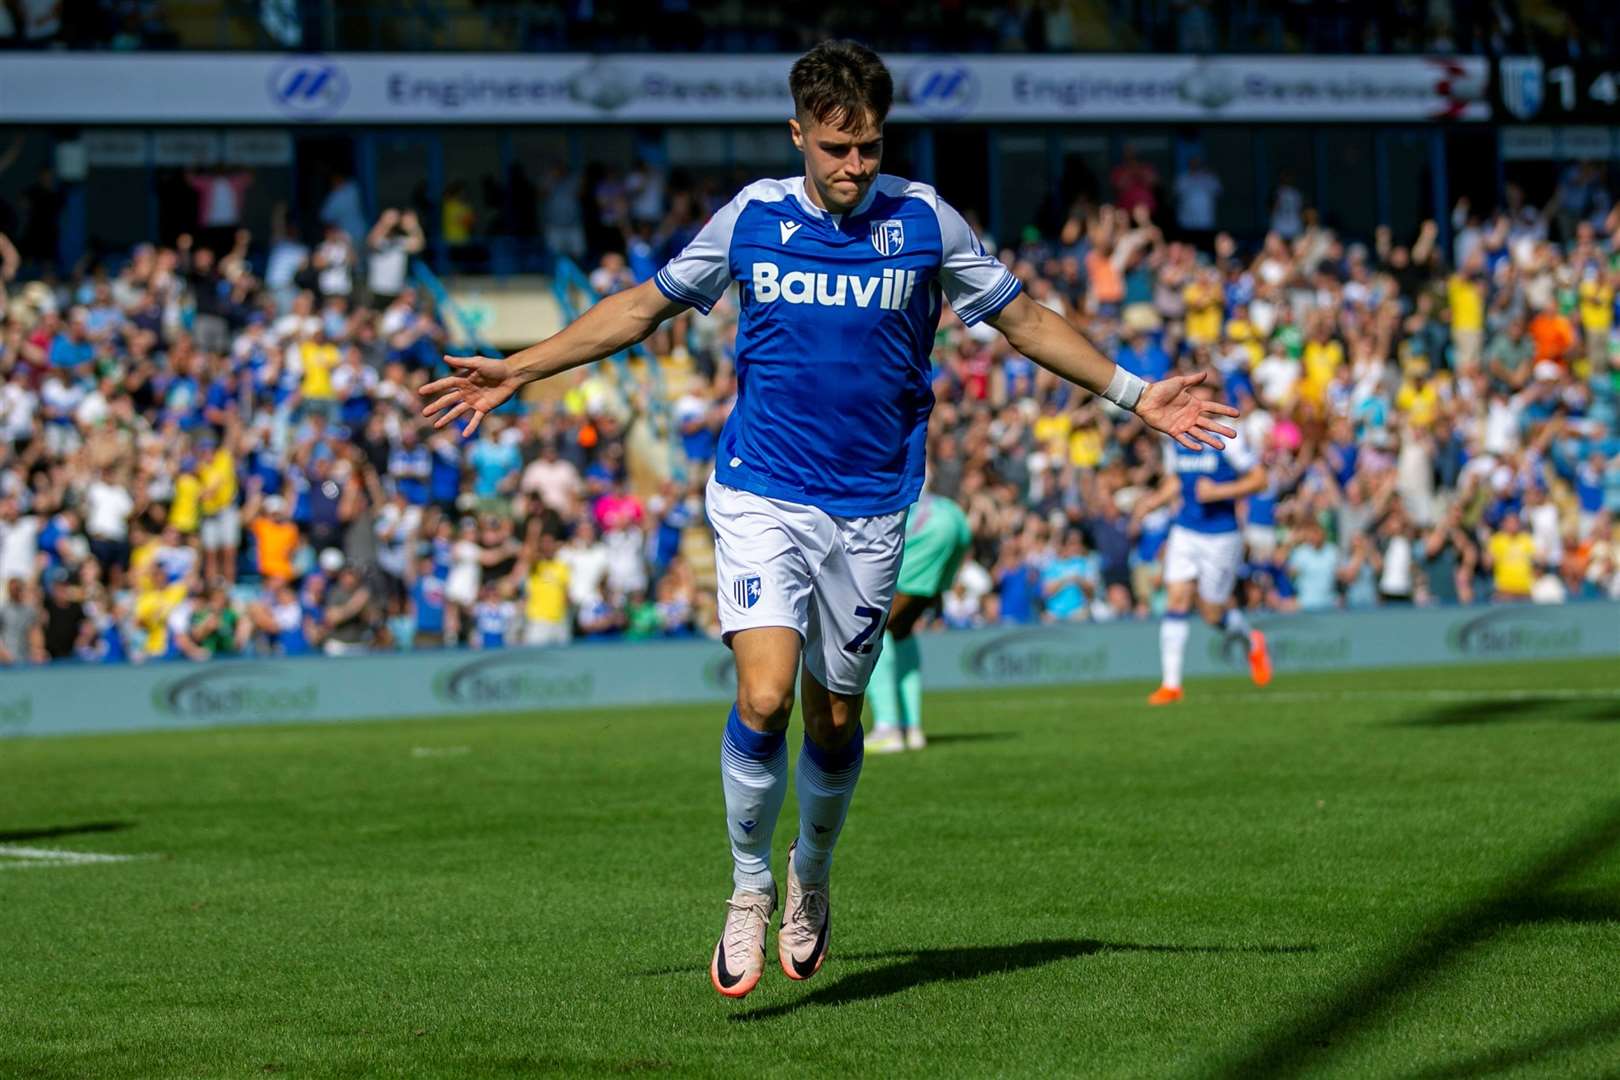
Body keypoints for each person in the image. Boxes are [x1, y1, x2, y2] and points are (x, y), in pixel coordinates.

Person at [419, 39, 1236, 1001]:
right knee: (763, 696)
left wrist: (1137, 394)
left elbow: (1022, 319)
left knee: (834, 714)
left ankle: (812, 868)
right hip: (762, 491)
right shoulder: (753, 217)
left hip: (874, 509)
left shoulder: (925, 221)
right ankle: (750, 885)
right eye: (837, 148)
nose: (855, 167)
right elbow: (643, 309)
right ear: (799, 135)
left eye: (872, 148)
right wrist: (523, 366)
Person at [1131, 381, 1271, 704]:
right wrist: (1153, 501)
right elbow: (1176, 481)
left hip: (1221, 536)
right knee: (1176, 599)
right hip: (1185, 529)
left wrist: (1219, 492)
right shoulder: (1175, 434)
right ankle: (1171, 684)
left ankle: (1252, 641)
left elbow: (1259, 478)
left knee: (1211, 613)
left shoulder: (1228, 435)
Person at [865, 490, 973, 754]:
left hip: (926, 525)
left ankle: (887, 729)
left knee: (873, 630)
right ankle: (910, 728)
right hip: (953, 517)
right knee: (901, 630)